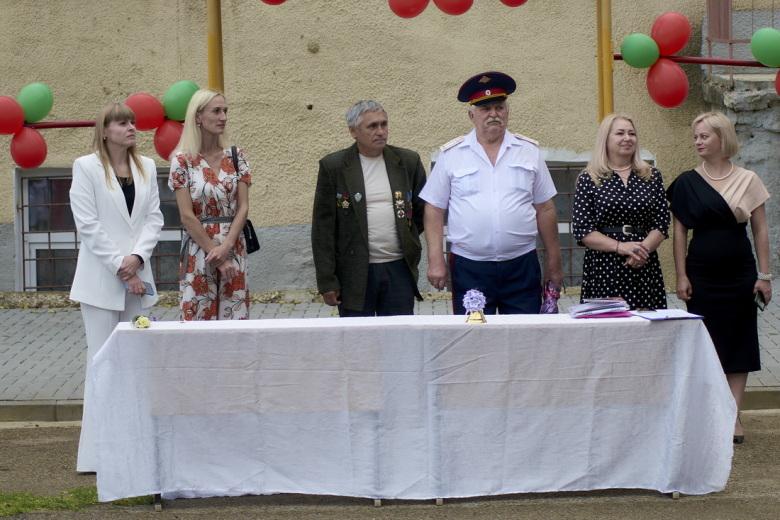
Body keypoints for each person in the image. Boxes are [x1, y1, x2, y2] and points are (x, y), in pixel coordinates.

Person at [69, 103, 164, 472]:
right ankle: (95, 456)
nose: (131, 128)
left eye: (133, 122)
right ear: (105, 130)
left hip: (137, 280)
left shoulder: (147, 167)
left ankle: (134, 448)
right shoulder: (86, 166)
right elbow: (87, 224)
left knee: (133, 362)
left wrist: (137, 258)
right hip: (100, 282)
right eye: (123, 123)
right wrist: (122, 267)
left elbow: (154, 219)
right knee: (102, 362)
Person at [667, 111, 772, 444]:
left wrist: (765, 276)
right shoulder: (686, 182)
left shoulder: (748, 179)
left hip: (740, 273)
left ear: (722, 138)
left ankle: (733, 415)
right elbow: (680, 232)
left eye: (704, 136)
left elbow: (760, 230)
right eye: (695, 137)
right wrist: (681, 275)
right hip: (701, 274)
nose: (698, 142)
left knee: (740, 340)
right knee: (707, 342)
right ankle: (710, 412)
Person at [421, 71, 563, 315]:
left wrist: (554, 260)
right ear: (471, 115)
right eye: (485, 109)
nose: (493, 114)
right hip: (470, 267)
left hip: (521, 265)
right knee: (474, 334)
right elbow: (434, 209)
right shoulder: (451, 155)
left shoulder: (528, 151)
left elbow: (545, 208)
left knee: (524, 333)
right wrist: (436, 260)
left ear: (507, 112)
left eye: (499, 107)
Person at [311, 100, 426, 317]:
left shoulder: (408, 162)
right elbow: (323, 229)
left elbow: (422, 211)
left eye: (384, 124)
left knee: (398, 333)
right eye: (372, 126)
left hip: (398, 268)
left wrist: (407, 236)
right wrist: (327, 281)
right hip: (354, 271)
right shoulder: (334, 166)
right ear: (353, 131)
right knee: (357, 335)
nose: (380, 131)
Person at [571, 113, 670, 309]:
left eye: (632, 133)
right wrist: (620, 247)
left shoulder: (651, 176)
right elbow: (582, 230)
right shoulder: (589, 178)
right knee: (609, 323)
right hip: (604, 265)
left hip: (643, 263)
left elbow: (661, 222)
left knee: (646, 323)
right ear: (606, 139)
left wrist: (641, 251)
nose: (627, 138)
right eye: (620, 133)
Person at [169, 89, 251, 320]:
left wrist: (226, 248)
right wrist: (217, 255)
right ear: (198, 116)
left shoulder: (236, 156)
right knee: (198, 318)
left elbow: (243, 207)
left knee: (234, 319)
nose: (223, 117)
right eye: (216, 111)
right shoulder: (182, 161)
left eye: (225, 111)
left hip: (233, 246)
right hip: (199, 248)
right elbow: (186, 216)